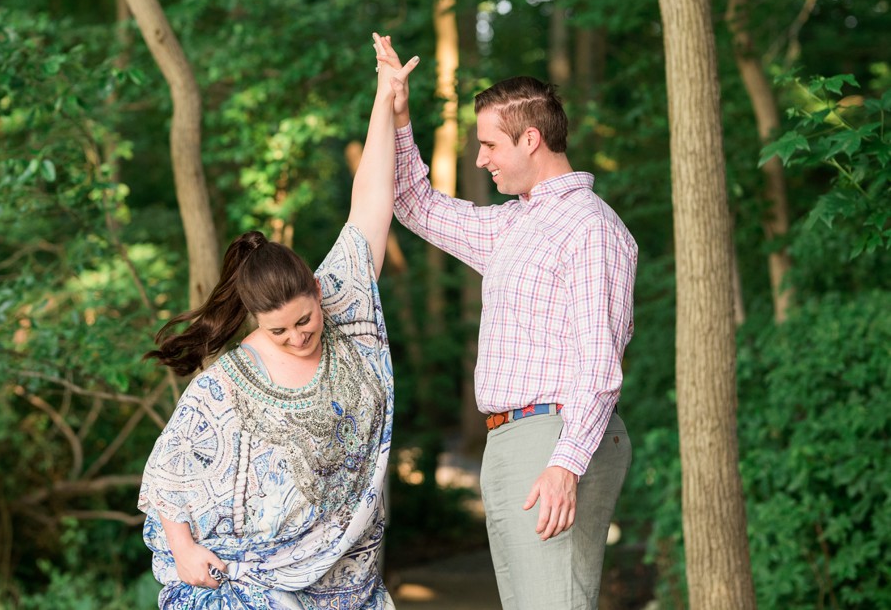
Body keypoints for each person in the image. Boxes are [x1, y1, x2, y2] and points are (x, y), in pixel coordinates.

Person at [137, 35, 419, 610]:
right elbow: (169, 472)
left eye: (304, 320)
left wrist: (383, 99)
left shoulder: (345, 305)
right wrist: (184, 550)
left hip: (348, 580)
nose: (298, 337)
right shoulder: (227, 384)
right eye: (278, 331)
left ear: (320, 292)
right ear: (254, 324)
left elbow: (370, 198)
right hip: (255, 581)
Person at [375, 35, 637, 609]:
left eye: (490, 144)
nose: (480, 158)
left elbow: (599, 363)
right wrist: (396, 113)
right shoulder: (515, 227)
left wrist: (565, 465)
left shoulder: (589, 228)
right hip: (514, 439)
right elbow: (415, 204)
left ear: (532, 138)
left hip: (554, 438)